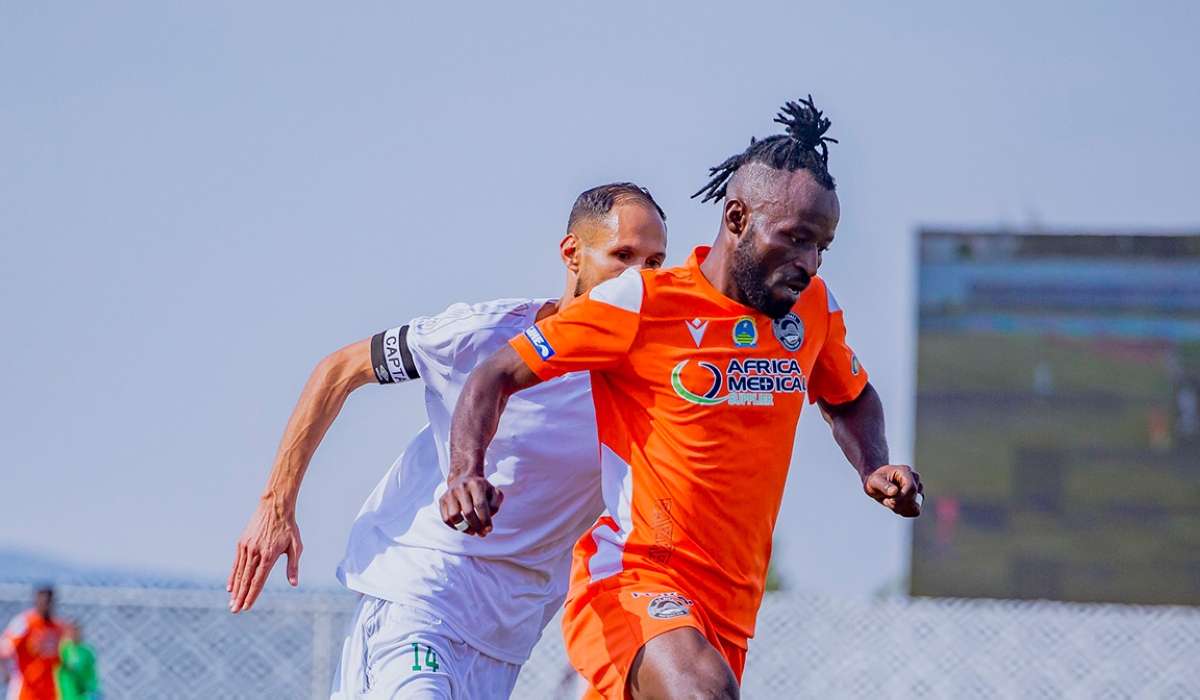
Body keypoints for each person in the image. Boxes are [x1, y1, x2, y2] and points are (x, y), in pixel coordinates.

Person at [442, 97, 923, 699]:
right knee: (702, 691)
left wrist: (873, 464)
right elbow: (496, 373)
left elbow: (849, 395)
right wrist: (465, 472)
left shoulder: (813, 310)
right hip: (634, 576)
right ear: (737, 217)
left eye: (822, 245)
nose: (809, 262)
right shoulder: (641, 302)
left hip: (731, 607)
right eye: (796, 238)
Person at [226, 182, 669, 699]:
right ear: (572, 253)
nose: (639, 279)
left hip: (507, 636)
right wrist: (275, 505)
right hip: (419, 596)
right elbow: (339, 369)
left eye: (655, 263)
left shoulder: (656, 377)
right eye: (622, 257)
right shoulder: (482, 333)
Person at [0, 585, 69, 700]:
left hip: (50, 690)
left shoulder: (59, 626)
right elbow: (3, 648)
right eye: (42, 601)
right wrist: (5, 672)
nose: (45, 605)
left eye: (48, 601)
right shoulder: (25, 623)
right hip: (26, 689)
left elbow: (65, 655)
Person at [57, 624, 101, 700]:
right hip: (68, 693)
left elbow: (90, 673)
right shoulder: (64, 650)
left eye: (76, 632)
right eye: (71, 632)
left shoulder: (86, 652)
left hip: (85, 693)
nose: (74, 635)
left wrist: (94, 691)